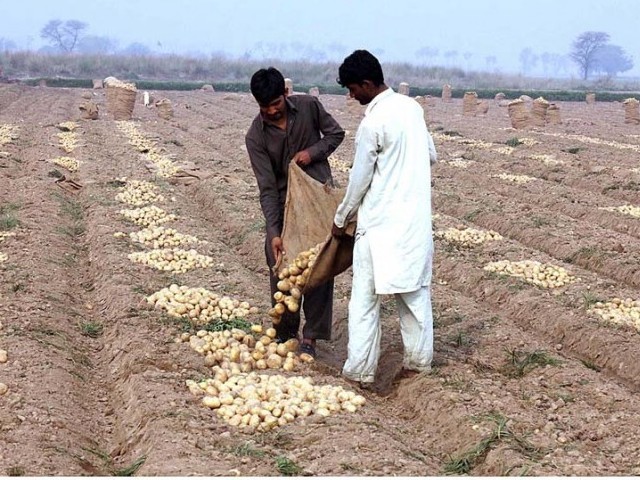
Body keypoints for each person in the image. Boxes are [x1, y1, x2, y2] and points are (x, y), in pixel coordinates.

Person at [331, 50, 437, 386]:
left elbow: (359, 179)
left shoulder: (373, 122)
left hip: (379, 228)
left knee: (364, 302)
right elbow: (431, 155)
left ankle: (359, 372)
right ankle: (419, 366)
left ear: (366, 84)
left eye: (352, 89)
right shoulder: (412, 109)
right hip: (413, 225)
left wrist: (341, 217)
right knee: (414, 298)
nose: (351, 95)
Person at [245, 67, 345, 357]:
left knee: (319, 266)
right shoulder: (256, 136)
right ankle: (286, 332)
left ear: (285, 94)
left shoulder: (309, 107)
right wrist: (274, 232)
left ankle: (311, 337)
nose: (271, 111)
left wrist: (312, 153)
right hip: (284, 205)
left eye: (275, 104)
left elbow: (336, 134)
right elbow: (267, 189)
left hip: (316, 199)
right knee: (282, 266)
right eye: (264, 107)